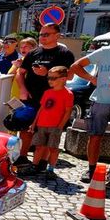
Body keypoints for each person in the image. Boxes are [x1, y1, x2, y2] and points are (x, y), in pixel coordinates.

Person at [16, 23, 75, 165]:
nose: (42, 37)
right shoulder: (33, 53)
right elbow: (20, 73)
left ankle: (42, 163)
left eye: (46, 34)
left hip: (53, 99)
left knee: (48, 130)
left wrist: (46, 73)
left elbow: (70, 76)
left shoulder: (64, 53)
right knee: (26, 128)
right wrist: (23, 89)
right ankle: (22, 157)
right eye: (41, 34)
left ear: (57, 35)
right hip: (31, 96)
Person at [20, 66, 74, 179]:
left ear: (64, 79)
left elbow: (68, 112)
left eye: (53, 78)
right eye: (49, 78)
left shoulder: (68, 94)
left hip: (55, 126)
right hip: (42, 124)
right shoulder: (47, 92)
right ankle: (34, 166)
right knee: (39, 146)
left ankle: (50, 169)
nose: (50, 81)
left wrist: (60, 126)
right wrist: (34, 123)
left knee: (53, 148)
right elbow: (41, 108)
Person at [70, 44, 110, 183]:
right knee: (95, 136)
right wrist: (93, 79)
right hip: (101, 99)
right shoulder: (105, 51)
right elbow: (76, 66)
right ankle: (91, 169)